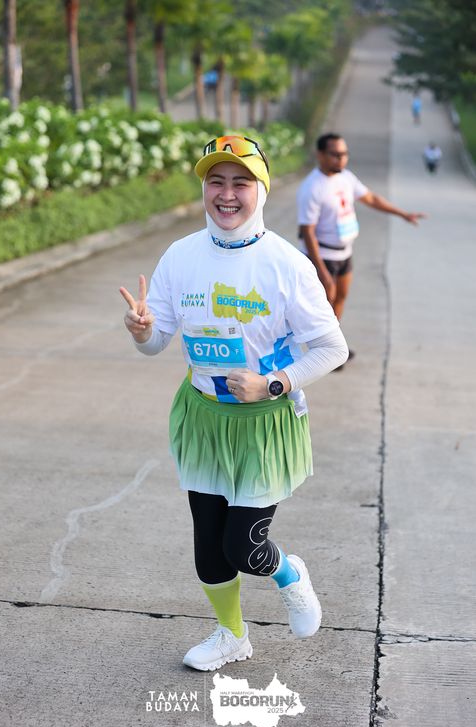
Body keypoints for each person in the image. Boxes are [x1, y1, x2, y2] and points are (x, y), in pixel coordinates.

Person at [120, 135, 348, 671]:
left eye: (240, 183)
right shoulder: (181, 256)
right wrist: (143, 331)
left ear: (260, 190)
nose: (226, 194)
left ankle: (289, 574)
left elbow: (332, 348)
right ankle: (232, 635)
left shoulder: (287, 265)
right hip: (203, 417)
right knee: (208, 543)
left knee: (244, 545)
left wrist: (274, 384)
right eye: (215, 182)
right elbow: (157, 343)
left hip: (264, 422)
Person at [297, 132, 426, 339]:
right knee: (324, 307)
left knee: (340, 298)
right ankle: (322, 349)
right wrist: (321, 270)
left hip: (344, 253)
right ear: (320, 154)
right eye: (335, 154)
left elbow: (371, 199)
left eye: (344, 154)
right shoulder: (312, 187)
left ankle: (335, 346)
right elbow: (307, 231)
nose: (341, 159)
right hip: (323, 255)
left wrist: (403, 214)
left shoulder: (346, 178)